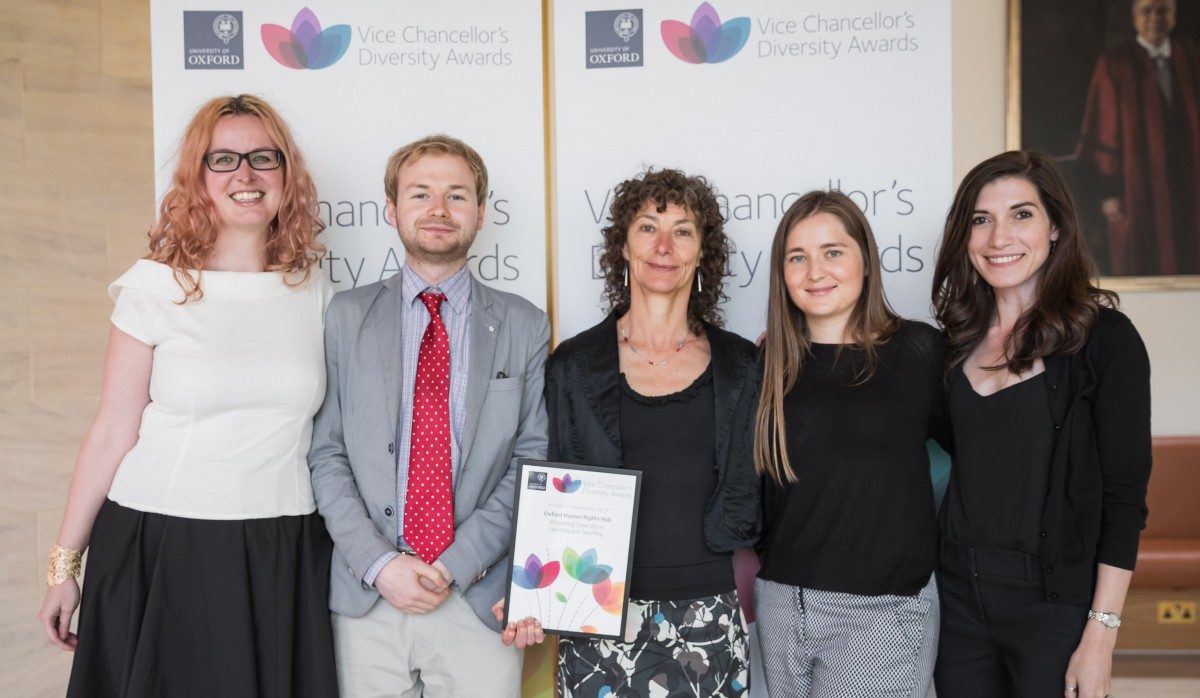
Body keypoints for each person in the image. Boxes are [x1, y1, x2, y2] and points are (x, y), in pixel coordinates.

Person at [36, 94, 337, 696]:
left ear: (287, 176)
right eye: (222, 159)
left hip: (282, 547)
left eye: (262, 158)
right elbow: (111, 434)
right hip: (161, 543)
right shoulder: (153, 288)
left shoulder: (317, 294)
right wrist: (64, 567)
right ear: (197, 179)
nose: (245, 175)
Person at [307, 134, 550, 697]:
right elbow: (326, 453)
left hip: (476, 594)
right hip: (366, 597)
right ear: (392, 209)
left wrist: (455, 562)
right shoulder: (345, 317)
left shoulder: (524, 324)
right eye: (420, 194)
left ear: (482, 213)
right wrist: (379, 563)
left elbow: (532, 460)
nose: (438, 210)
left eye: (456, 196)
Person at [503, 168, 760, 697]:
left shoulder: (742, 365)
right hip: (598, 625)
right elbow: (545, 485)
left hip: (708, 622)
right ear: (623, 246)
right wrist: (529, 595)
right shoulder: (573, 364)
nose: (663, 245)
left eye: (683, 230)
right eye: (647, 227)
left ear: (701, 253)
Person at [931, 151, 1152, 698]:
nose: (999, 236)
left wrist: (1099, 638)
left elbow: (1124, 499)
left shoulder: (1106, 340)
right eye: (981, 219)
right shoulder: (950, 345)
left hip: (1054, 609)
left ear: (1055, 226)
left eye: (1021, 215)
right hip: (957, 605)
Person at [751, 190, 946, 697]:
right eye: (798, 257)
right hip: (780, 604)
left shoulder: (918, 352)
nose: (815, 271)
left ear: (865, 258)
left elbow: (977, 460)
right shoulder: (766, 365)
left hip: (881, 612)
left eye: (832, 252)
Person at [1076, 0, 1200, 275]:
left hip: (1189, 182)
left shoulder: (1190, 58)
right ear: (1134, 20)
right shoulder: (1114, 64)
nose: (1155, 18)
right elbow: (1103, 129)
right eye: (1146, 11)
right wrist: (1108, 190)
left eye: (1163, 11)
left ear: (1174, 17)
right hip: (1137, 185)